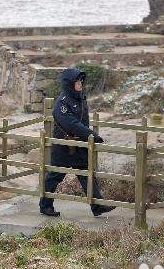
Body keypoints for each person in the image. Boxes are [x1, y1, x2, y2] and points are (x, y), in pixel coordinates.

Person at [39, 67, 116, 217]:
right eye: (77, 81)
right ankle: (45, 206)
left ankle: (97, 205)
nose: (81, 83)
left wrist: (87, 136)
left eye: (81, 80)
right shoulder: (61, 103)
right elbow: (71, 123)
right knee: (55, 176)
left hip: (79, 145)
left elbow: (83, 121)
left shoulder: (80, 98)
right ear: (70, 83)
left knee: (87, 174)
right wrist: (91, 134)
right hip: (63, 145)